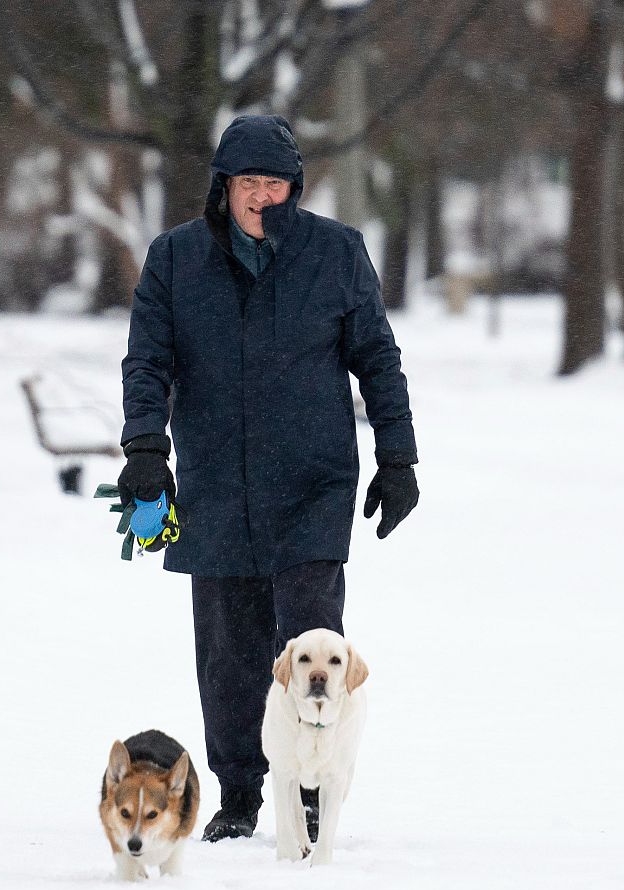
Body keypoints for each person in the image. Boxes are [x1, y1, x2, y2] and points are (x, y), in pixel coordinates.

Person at [118, 114, 419, 841]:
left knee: (312, 642)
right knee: (228, 647)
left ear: (295, 189)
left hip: (312, 481)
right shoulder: (175, 259)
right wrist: (144, 449)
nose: (261, 197)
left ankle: (315, 787)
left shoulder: (336, 254)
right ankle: (242, 790)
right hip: (217, 478)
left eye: (274, 183)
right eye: (247, 183)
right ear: (223, 188)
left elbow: (377, 357)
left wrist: (398, 455)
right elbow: (147, 361)